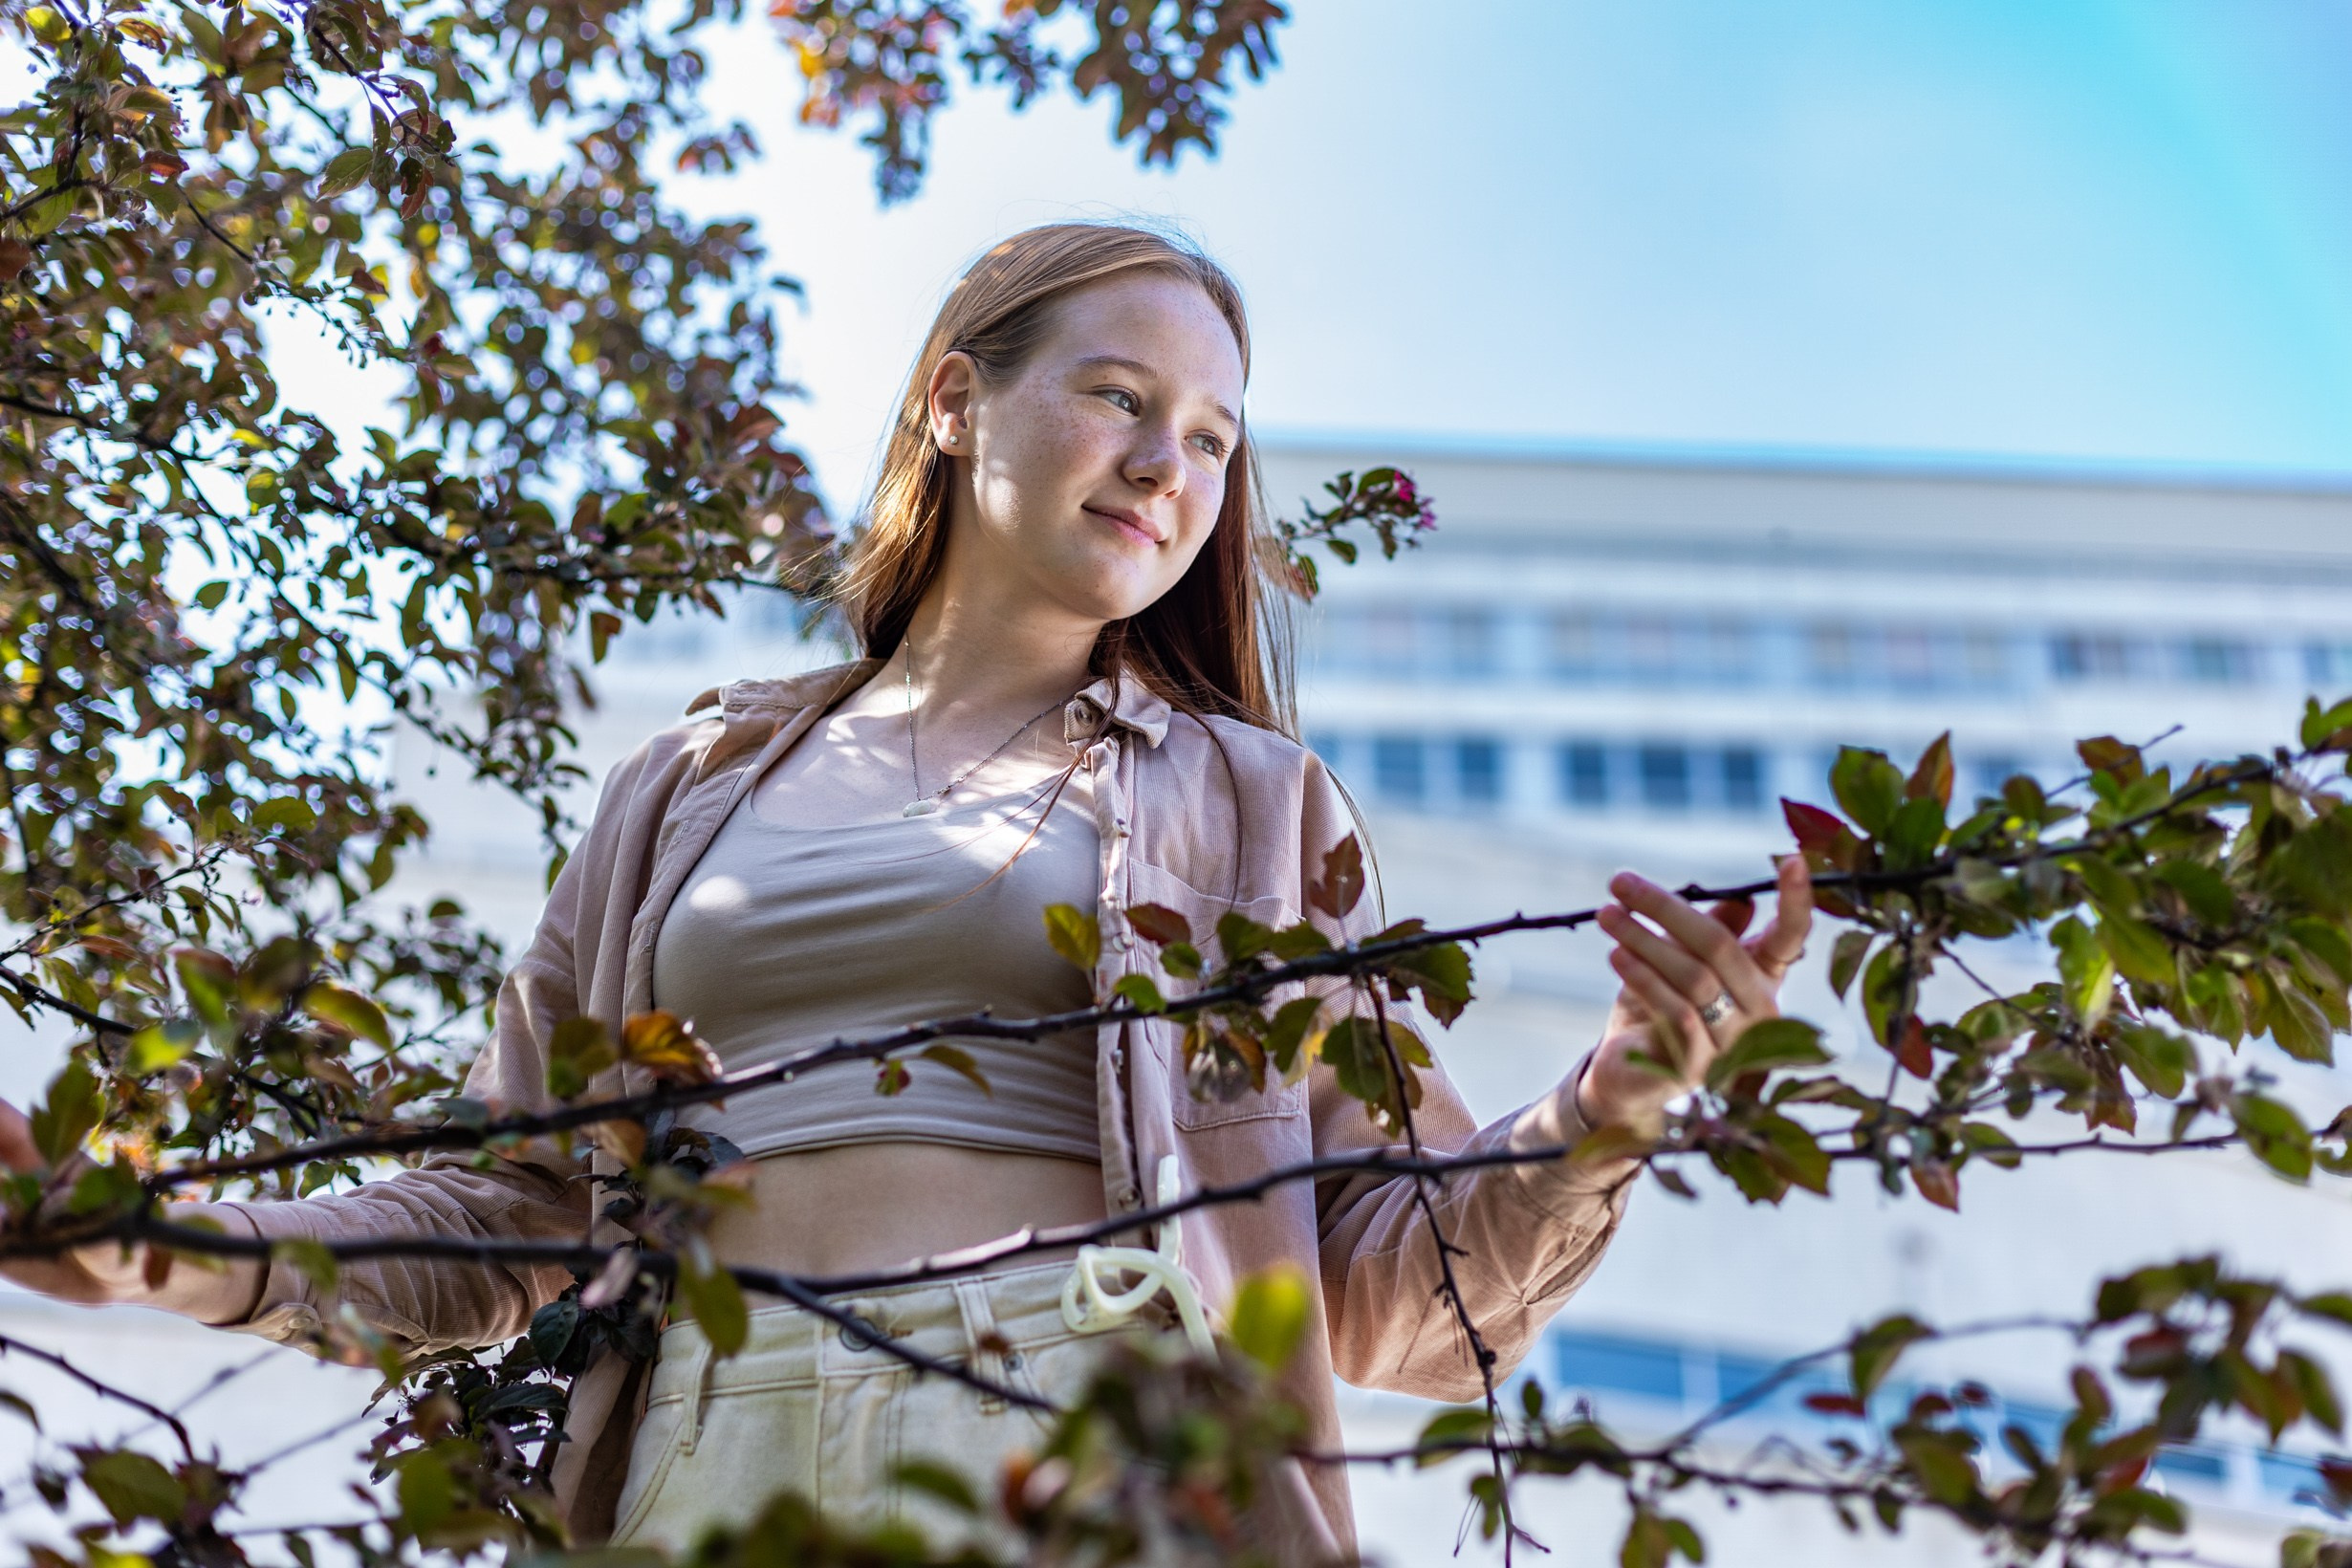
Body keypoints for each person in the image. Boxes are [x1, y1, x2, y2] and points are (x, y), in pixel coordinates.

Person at [0, 222, 1812, 1563]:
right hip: (697, 1447)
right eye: (1122, 397)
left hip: (1102, 1426)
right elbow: (519, 1205)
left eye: (1212, 438)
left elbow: (1393, 1301)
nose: (1170, 468)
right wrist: (178, 1252)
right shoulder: (688, 789)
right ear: (958, 400)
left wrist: (1623, 1096)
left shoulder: (1254, 809)